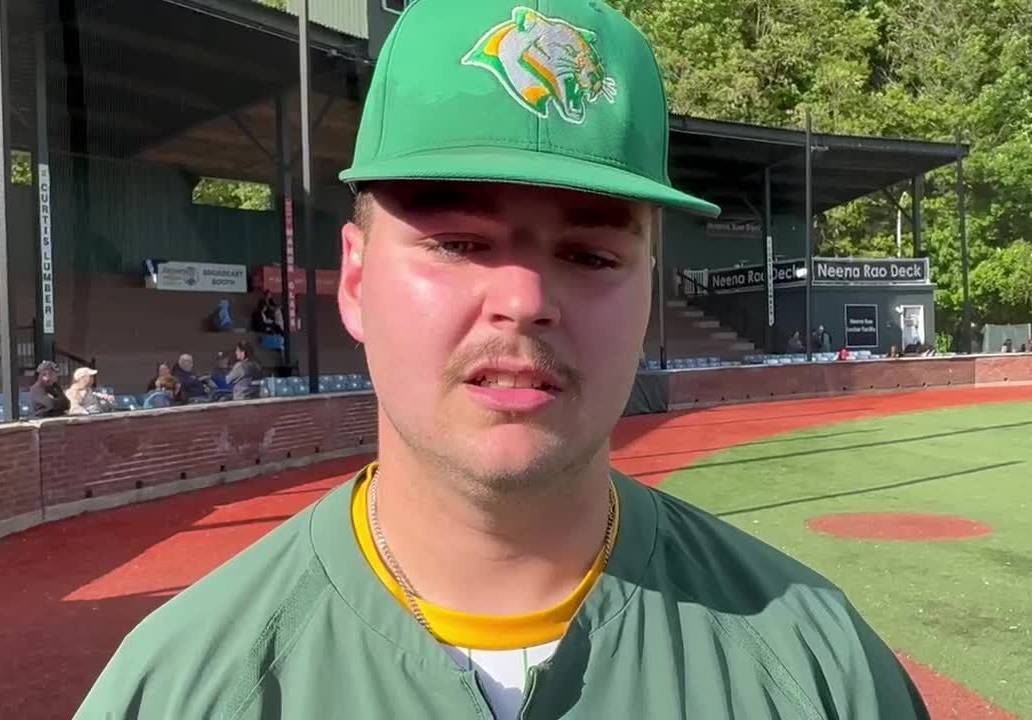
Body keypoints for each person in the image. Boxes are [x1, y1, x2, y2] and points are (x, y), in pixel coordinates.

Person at [75, 3, 928, 719]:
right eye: (457, 243)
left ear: (648, 296)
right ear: (357, 282)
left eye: (591, 255)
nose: (523, 299)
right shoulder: (179, 690)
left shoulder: (821, 667)